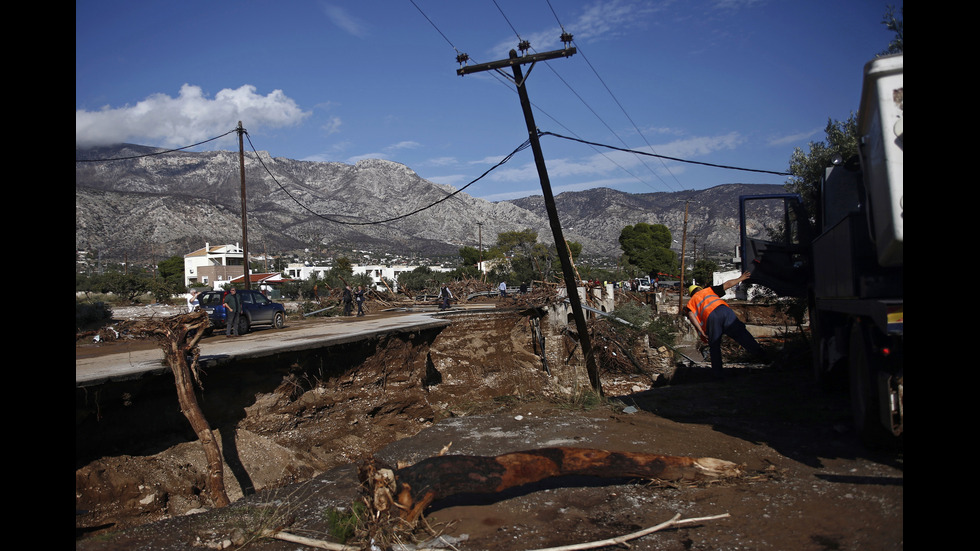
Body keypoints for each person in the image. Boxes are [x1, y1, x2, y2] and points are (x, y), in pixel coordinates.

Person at [683, 272, 766, 377]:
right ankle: (764, 357)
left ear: (691, 294)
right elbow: (728, 284)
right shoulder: (709, 290)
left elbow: (691, 316)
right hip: (725, 311)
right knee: (742, 334)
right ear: (700, 288)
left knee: (714, 346)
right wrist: (741, 278)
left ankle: (718, 374)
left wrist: (702, 332)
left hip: (712, 318)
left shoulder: (691, 302)